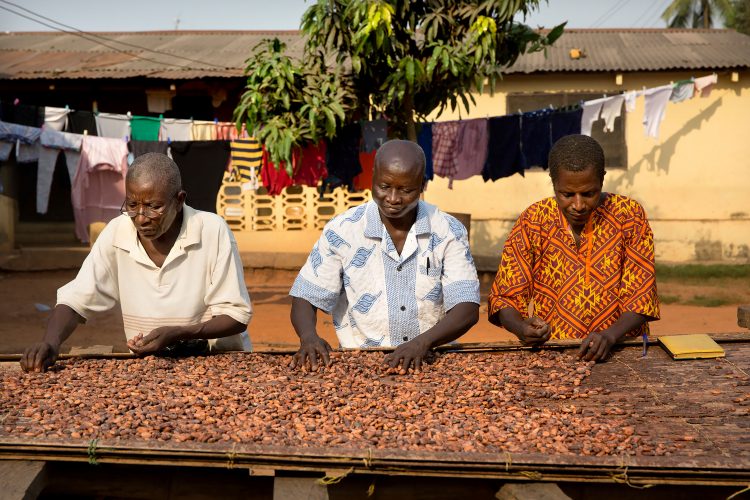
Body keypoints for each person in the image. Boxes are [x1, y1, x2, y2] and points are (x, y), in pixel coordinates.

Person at [21, 153, 252, 372]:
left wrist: (179, 333)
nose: (141, 218)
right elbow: (76, 299)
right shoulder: (117, 232)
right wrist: (50, 342)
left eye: (154, 207)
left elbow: (236, 315)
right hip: (149, 366)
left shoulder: (212, 230)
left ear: (179, 200)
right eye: (132, 205)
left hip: (216, 362)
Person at [289, 139, 480, 372]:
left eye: (406, 190)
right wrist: (308, 337)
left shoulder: (448, 230)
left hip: (432, 360)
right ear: (373, 178)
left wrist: (422, 342)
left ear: (422, 185)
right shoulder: (343, 229)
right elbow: (306, 296)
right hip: (361, 364)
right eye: (384, 186)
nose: (392, 198)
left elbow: (467, 308)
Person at [487, 134, 659, 362]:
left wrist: (609, 336)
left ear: (602, 179)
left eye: (589, 194)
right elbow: (505, 297)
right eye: (567, 195)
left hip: (624, 352)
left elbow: (641, 296)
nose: (578, 205)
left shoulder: (629, 216)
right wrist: (521, 327)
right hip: (554, 356)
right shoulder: (533, 221)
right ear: (553, 182)